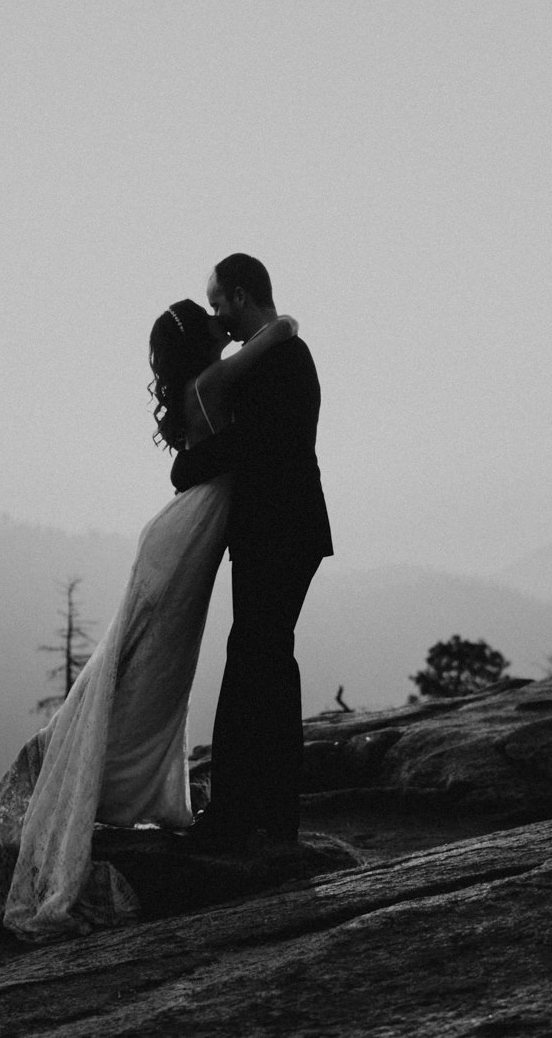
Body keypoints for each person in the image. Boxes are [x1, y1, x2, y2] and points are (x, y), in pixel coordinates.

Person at [0, 296, 300, 941]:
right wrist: (240, 322)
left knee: (150, 676)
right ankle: (88, 780)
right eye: (212, 326)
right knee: (141, 669)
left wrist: (217, 326)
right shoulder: (211, 382)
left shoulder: (204, 382)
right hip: (179, 547)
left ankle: (109, 780)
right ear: (202, 344)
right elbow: (283, 330)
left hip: (183, 542)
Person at [171, 253, 333, 844]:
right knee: (262, 661)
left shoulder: (282, 357)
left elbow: (253, 441)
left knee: (255, 662)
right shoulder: (277, 351)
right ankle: (266, 810)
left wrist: (189, 467)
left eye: (219, 303)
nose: (219, 317)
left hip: (281, 529)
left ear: (240, 295)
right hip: (282, 529)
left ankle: (245, 812)